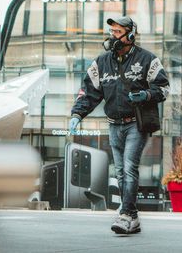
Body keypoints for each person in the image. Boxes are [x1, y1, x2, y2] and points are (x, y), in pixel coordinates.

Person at [69, 16, 169, 234]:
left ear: (130, 35)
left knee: (129, 168)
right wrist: (77, 114)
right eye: (112, 31)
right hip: (114, 124)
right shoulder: (101, 62)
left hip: (136, 124)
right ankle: (131, 216)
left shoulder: (148, 60)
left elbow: (164, 88)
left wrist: (146, 95)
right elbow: (89, 92)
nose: (112, 36)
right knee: (121, 172)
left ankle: (126, 215)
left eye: (117, 32)